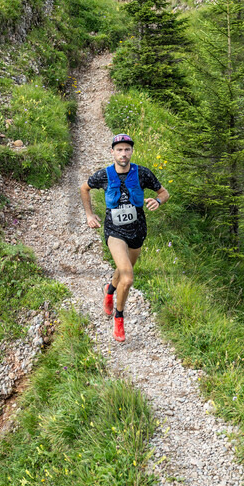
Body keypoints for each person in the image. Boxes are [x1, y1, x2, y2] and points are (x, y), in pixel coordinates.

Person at [80, 134, 169, 342]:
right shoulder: (104, 175)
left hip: (138, 231)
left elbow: (164, 192)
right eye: (119, 149)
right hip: (115, 232)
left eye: (127, 149)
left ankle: (110, 290)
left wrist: (158, 200)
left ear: (131, 152)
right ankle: (119, 317)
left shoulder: (143, 173)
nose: (123, 153)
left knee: (123, 270)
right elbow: (84, 188)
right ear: (112, 152)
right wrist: (89, 214)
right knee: (128, 278)